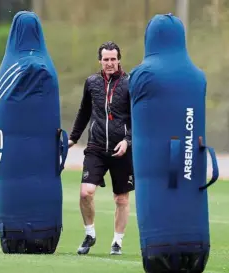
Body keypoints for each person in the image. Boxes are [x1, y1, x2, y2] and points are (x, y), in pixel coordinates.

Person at [68, 41, 134, 255]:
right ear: (100, 61)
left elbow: (138, 117)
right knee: (85, 193)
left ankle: (117, 241)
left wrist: (128, 140)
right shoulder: (92, 82)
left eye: (113, 59)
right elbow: (84, 112)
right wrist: (73, 138)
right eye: (106, 59)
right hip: (96, 148)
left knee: (121, 198)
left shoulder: (129, 83)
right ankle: (90, 234)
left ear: (119, 60)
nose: (109, 63)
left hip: (121, 149)